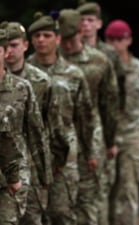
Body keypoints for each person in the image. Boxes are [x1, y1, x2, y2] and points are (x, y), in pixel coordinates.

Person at [27, 11, 96, 225]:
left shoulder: (73, 73)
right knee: (32, 214)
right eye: (36, 36)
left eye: (46, 35)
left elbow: (84, 116)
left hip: (65, 151)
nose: (41, 40)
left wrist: (90, 152)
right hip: (29, 152)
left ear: (57, 38)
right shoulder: (23, 72)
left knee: (62, 212)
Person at [58, 8, 119, 225]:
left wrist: (110, 141)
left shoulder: (99, 61)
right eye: (62, 38)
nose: (66, 43)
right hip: (56, 136)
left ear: (80, 33)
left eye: (70, 37)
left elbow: (110, 103)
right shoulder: (48, 60)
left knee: (90, 196)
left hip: (91, 135)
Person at [104, 19, 139, 225]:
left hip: (132, 134)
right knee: (103, 190)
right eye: (110, 39)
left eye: (120, 39)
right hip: (103, 136)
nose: (115, 43)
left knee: (128, 188)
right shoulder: (100, 68)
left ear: (129, 40)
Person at [2, 20, 54, 225]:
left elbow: (40, 130)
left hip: (23, 166)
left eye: (15, 45)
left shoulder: (31, 84)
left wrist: (45, 175)